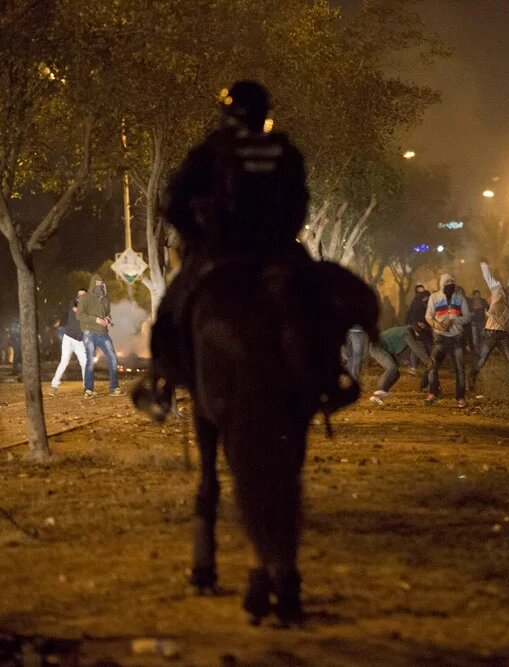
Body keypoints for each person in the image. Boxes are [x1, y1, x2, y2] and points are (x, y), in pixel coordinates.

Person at [132, 80, 312, 417]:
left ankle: (161, 382)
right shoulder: (284, 151)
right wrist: (282, 236)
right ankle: (330, 377)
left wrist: (197, 239)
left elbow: (173, 203)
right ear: (264, 114)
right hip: (277, 252)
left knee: (171, 311)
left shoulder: (211, 152)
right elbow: (299, 204)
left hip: (217, 252)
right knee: (317, 298)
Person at [469, 259, 509, 392]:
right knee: (481, 360)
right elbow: (488, 277)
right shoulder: (498, 289)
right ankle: (470, 380)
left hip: (503, 335)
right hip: (491, 333)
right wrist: (483, 265)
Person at [424, 273, 471, 407]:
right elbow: (428, 316)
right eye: (447, 284)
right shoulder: (434, 297)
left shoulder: (460, 297)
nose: (450, 286)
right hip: (440, 337)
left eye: (452, 284)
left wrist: (454, 320)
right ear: (442, 285)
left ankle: (460, 397)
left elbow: (467, 317)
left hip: (457, 337)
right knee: (432, 365)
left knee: (459, 369)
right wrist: (436, 324)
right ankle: (433, 393)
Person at [77, 274, 123, 398]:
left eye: (101, 283)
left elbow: (108, 313)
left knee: (113, 358)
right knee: (90, 361)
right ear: (92, 284)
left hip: (103, 333)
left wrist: (107, 319)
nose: (99, 286)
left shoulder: (105, 299)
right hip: (89, 333)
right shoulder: (84, 298)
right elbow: (79, 315)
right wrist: (96, 320)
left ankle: (114, 388)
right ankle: (88, 390)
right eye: (97, 283)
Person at [368, 322, 432, 405]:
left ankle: (379, 396)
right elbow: (416, 348)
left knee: (396, 374)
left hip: (381, 348)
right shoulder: (406, 333)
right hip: (376, 348)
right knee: (392, 368)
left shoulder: (404, 330)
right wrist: (428, 361)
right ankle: (377, 393)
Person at [49, 289, 88, 396]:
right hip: (69, 338)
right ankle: (54, 386)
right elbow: (77, 309)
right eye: (79, 294)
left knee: (85, 363)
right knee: (64, 362)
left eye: (83, 294)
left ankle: (87, 387)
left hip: (79, 340)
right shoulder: (73, 303)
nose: (80, 296)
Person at [404, 285, 431, 374]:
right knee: (417, 346)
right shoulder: (416, 303)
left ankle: (415, 366)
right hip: (418, 328)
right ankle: (414, 366)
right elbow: (411, 317)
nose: (423, 294)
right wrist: (417, 324)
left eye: (423, 291)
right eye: (420, 292)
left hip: (424, 328)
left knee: (421, 346)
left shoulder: (424, 302)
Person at [467, 289, 488, 355]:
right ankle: (477, 352)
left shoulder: (483, 300)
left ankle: (483, 351)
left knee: (482, 337)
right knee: (475, 338)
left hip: (482, 322)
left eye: (478, 295)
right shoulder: (470, 302)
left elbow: (488, 309)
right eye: (475, 295)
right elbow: (467, 311)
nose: (477, 297)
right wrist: (471, 314)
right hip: (474, 323)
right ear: (473, 296)